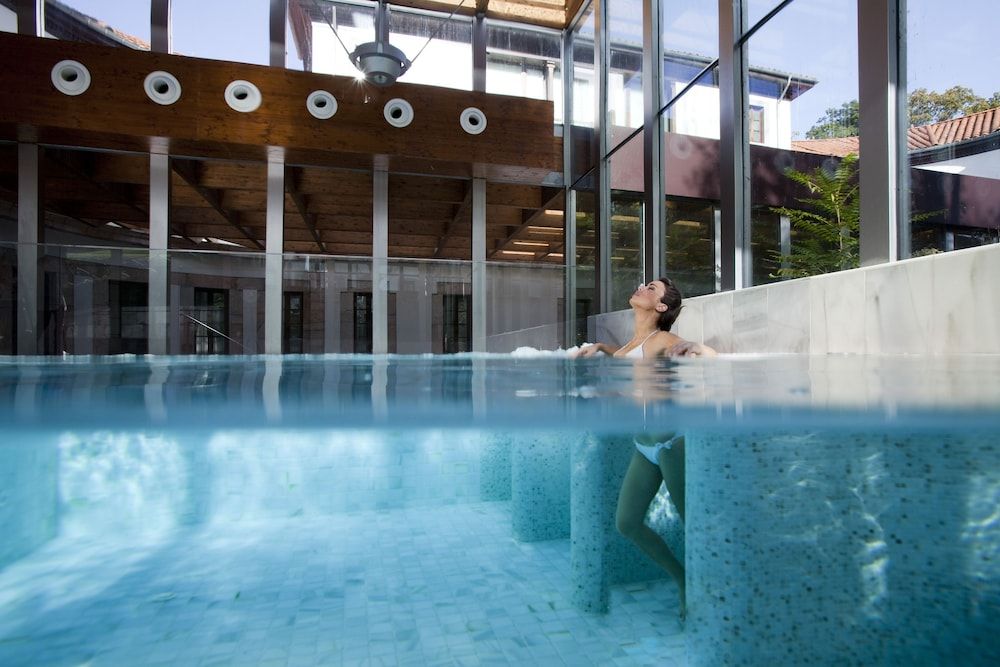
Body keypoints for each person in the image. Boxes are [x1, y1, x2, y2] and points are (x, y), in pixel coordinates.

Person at [575, 277, 716, 621]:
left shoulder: (662, 339)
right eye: (644, 284)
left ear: (661, 306)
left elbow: (708, 354)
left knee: (693, 526)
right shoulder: (632, 342)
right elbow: (626, 357)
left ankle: (710, 592)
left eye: (651, 288)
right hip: (644, 447)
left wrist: (694, 347)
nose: (642, 287)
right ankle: (682, 579)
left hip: (671, 443)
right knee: (627, 523)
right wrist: (601, 347)